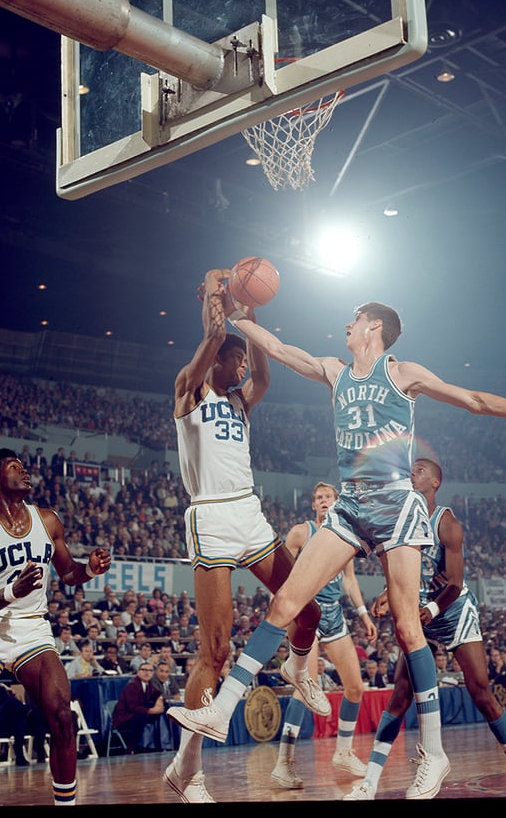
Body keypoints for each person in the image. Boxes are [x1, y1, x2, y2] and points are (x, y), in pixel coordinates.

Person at [170, 298, 506, 800]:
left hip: (396, 504)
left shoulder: (402, 373)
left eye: (353, 319)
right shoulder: (336, 371)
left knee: (406, 626)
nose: (346, 324)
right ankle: (223, 708)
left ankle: (433, 752)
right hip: (352, 505)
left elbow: (472, 399)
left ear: (372, 326)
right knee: (286, 602)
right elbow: (275, 347)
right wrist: (236, 316)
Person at [161, 269, 324, 804]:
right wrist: (214, 296)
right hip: (209, 517)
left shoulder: (240, 401)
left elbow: (266, 375)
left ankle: (297, 669)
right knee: (216, 651)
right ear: (220, 361)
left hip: (249, 515)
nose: (242, 366)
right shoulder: (189, 392)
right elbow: (211, 342)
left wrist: (252, 315)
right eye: (237, 358)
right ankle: (189, 770)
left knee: (309, 610)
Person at [346, 457, 506, 799]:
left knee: (480, 691)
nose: (413, 474)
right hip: (418, 612)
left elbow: (454, 582)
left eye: (420, 471)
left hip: (451, 610)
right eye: (411, 471)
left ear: (435, 482)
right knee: (400, 695)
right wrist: (384, 594)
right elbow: (410, 576)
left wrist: (431, 609)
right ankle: (369, 784)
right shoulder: (402, 521)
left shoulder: (446, 523)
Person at [0, 447, 111, 806]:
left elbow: (68, 573)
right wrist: (12, 591)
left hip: (32, 630)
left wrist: (90, 569)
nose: (25, 471)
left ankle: (66, 804)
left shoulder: (47, 520)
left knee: (63, 717)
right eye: (15, 467)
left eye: (24, 466)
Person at [272, 481, 378, 789]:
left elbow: (349, 580)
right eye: (318, 498)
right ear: (313, 505)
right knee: (307, 685)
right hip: (307, 610)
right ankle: (284, 763)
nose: (323, 501)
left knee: (356, 687)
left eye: (327, 497)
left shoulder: (345, 536)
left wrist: (363, 614)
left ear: (337, 501)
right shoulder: (300, 533)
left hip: (334, 613)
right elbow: (281, 573)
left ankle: (343, 752)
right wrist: (282, 610)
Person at [111, 663, 166, 754]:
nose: (147, 673)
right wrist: (151, 711)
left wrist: (159, 699)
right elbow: (133, 708)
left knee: (163, 710)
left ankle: (158, 744)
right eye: (144, 670)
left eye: (149, 671)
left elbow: (157, 694)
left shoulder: (149, 685)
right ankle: (134, 747)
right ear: (138, 672)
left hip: (137, 715)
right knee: (141, 716)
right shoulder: (132, 685)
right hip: (124, 717)